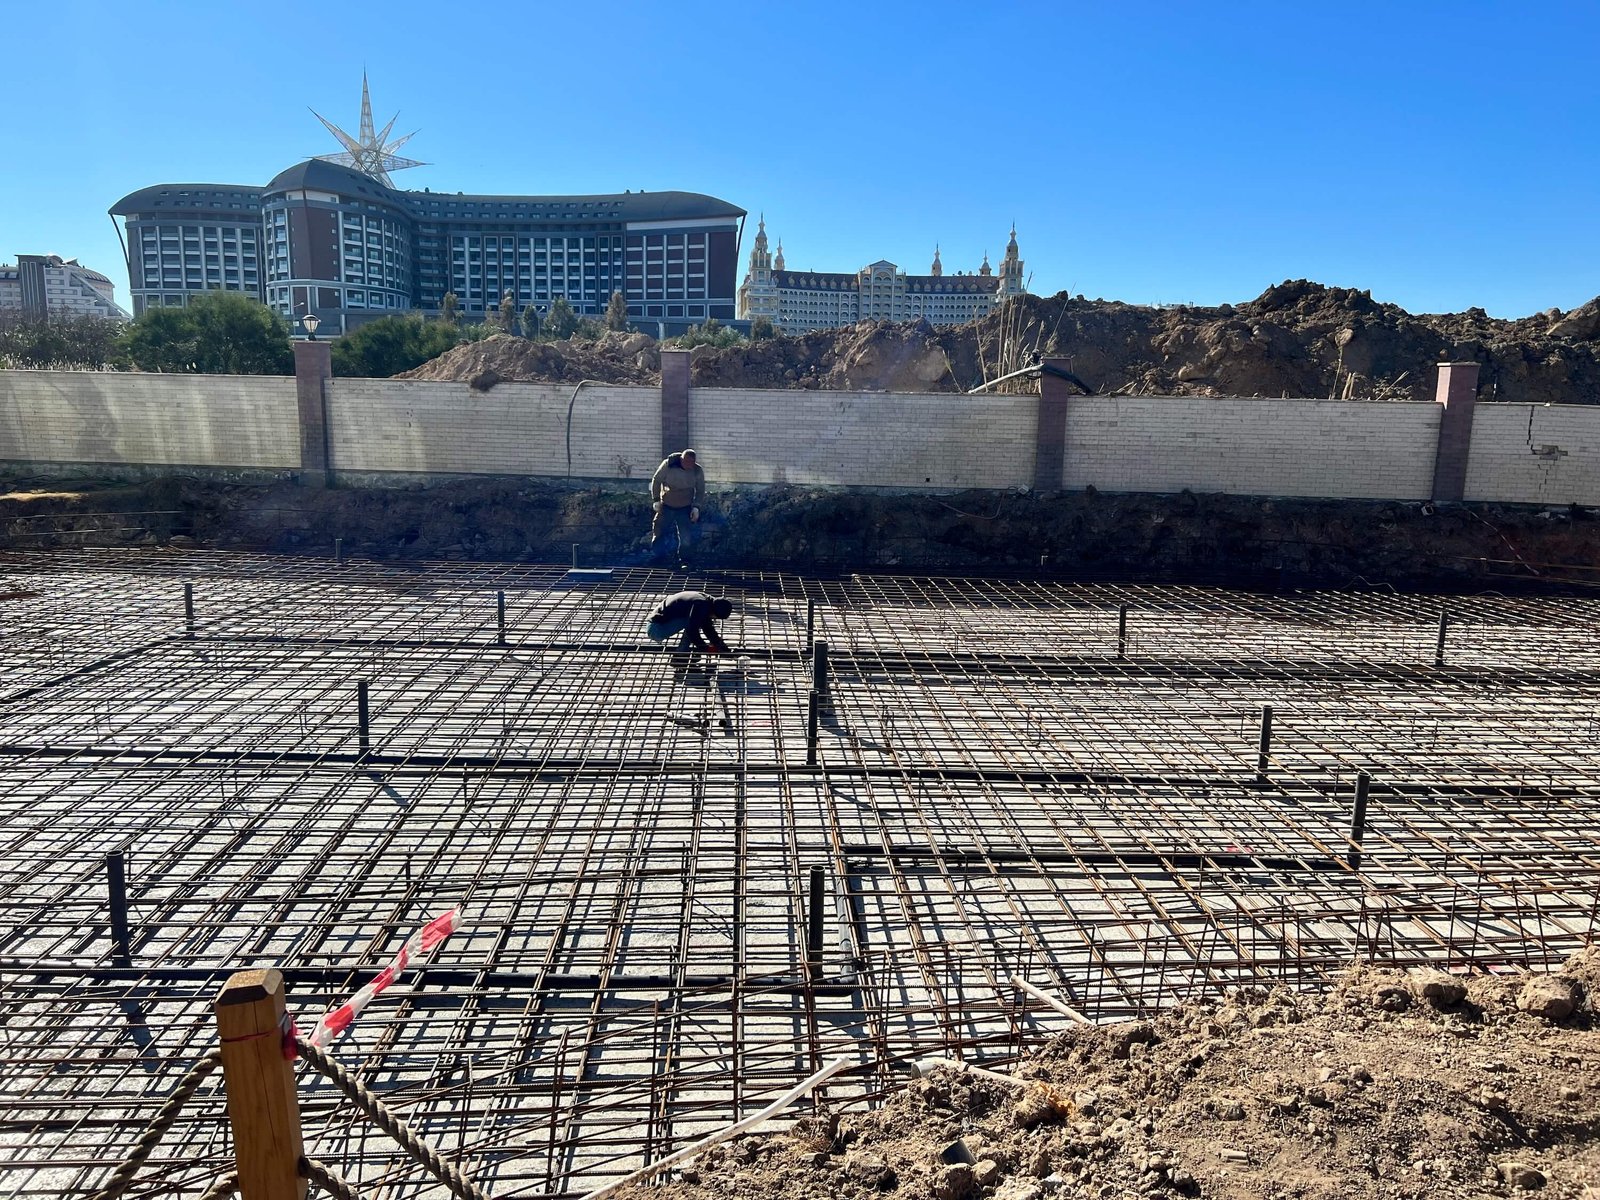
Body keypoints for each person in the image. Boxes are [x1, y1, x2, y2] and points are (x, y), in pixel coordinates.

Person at [649, 448, 706, 561]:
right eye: (686, 462)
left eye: (691, 463)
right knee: (659, 531)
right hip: (666, 506)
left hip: (685, 508)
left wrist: (696, 507)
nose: (688, 465)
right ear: (681, 459)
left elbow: (700, 490)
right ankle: (658, 558)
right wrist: (656, 500)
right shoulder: (668, 465)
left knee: (686, 537)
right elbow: (656, 480)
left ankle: (684, 560)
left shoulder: (697, 470)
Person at [647, 590, 732, 659]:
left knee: (695, 621)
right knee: (692, 625)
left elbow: (708, 628)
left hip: (657, 624)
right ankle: (680, 656)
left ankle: (682, 653)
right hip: (656, 629)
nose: (714, 618)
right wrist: (705, 649)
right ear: (715, 612)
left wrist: (721, 647)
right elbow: (693, 631)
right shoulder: (700, 605)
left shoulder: (706, 601)